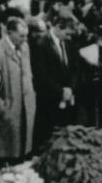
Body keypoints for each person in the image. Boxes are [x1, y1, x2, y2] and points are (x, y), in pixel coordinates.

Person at [0, 17, 37, 170]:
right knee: (4, 163)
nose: (25, 39)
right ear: (9, 33)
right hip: (4, 119)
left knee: (19, 159)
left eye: (26, 36)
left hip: (23, 112)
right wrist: (3, 110)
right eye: (21, 36)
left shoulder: (24, 48)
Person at [30, 9, 78, 146]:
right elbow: (41, 74)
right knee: (47, 135)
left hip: (67, 97)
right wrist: (60, 90)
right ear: (57, 27)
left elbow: (75, 68)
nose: (69, 37)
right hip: (49, 98)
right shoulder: (41, 44)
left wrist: (70, 88)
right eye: (67, 33)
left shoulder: (68, 43)